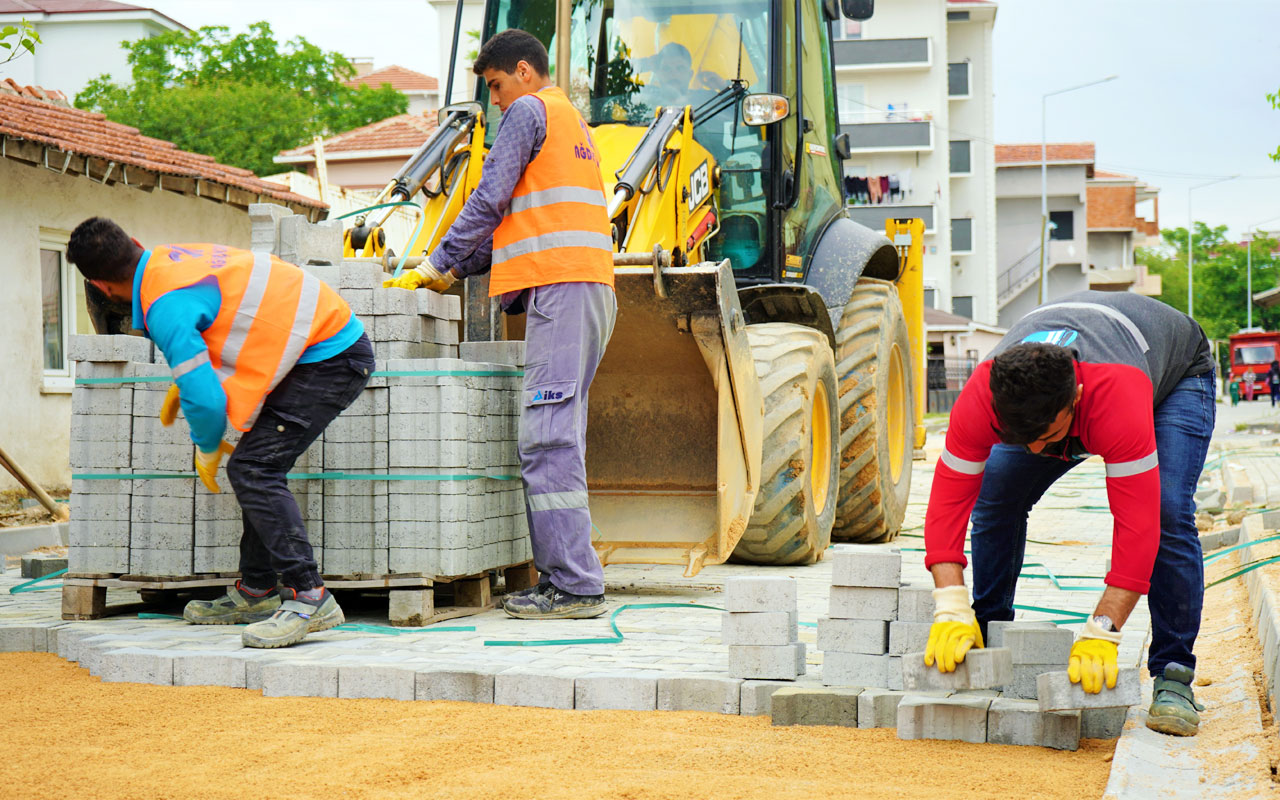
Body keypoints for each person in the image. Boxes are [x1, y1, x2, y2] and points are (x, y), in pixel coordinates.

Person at [384, 29, 615, 620]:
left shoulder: (530, 112)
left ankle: (574, 585)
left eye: (496, 87)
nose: (497, 102)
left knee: (547, 438)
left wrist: (435, 260)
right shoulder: (571, 125)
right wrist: (454, 268)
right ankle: (568, 578)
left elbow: (487, 199)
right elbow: (517, 229)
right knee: (557, 432)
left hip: (563, 291)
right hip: (581, 288)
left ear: (524, 71)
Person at [66, 217, 375, 648]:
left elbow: (208, 402)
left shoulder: (164, 304)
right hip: (318, 343)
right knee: (255, 464)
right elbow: (231, 324)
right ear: (134, 243)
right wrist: (188, 382)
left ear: (99, 287)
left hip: (331, 356)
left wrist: (208, 444)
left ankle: (311, 596)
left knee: (253, 469)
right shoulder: (171, 257)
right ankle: (257, 591)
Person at [921, 290, 1215, 737]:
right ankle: (984, 626)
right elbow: (948, 503)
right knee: (997, 493)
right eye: (1021, 437)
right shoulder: (983, 394)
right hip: (1081, 370)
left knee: (1166, 510)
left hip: (1175, 375)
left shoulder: (1113, 395)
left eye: (1047, 435)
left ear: (1075, 399)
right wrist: (949, 604)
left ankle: (1173, 674)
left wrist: (1104, 628)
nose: (1037, 450)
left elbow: (1136, 524)